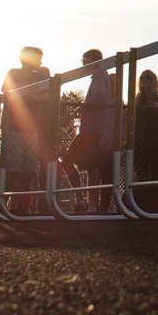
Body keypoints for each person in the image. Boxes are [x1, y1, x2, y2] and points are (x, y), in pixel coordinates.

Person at [0, 47, 52, 215]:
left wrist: (31, 97)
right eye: (38, 58)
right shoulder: (13, 73)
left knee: (29, 168)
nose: (41, 62)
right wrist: (27, 96)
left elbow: (50, 96)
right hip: (14, 126)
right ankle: (3, 203)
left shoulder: (39, 77)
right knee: (12, 168)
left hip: (32, 128)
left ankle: (22, 205)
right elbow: (8, 94)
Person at [65, 49, 116, 214]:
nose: (83, 64)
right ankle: (90, 204)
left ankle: (83, 200)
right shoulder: (99, 76)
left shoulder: (100, 75)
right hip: (91, 128)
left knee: (67, 161)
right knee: (91, 168)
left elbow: (97, 100)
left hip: (92, 130)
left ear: (92, 60)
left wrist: (78, 108)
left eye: (85, 60)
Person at [133, 69, 158, 212]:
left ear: (153, 80)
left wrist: (157, 109)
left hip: (157, 140)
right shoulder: (137, 99)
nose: (144, 80)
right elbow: (134, 121)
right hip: (141, 140)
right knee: (141, 171)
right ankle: (143, 204)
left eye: (147, 77)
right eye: (142, 77)